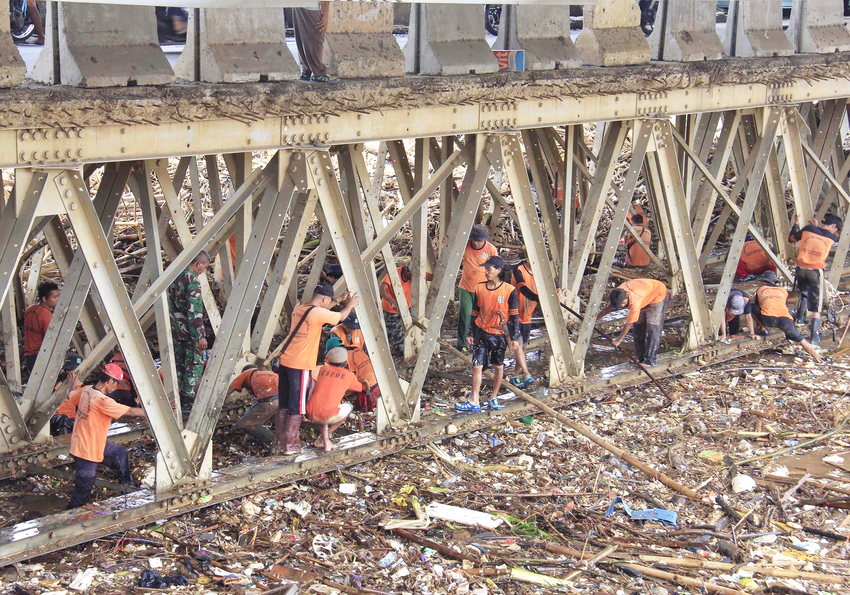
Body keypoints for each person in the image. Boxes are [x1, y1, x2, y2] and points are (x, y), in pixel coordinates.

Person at [276, 282, 359, 455]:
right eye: (328, 301)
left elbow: (324, 309)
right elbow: (340, 317)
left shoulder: (300, 308)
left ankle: (280, 441)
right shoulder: (317, 314)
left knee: (284, 404)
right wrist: (349, 305)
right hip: (300, 364)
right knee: (297, 406)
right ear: (323, 299)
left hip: (285, 361)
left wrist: (338, 300)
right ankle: (291, 445)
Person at [67, 364, 146, 509]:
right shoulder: (103, 401)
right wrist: (154, 410)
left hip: (90, 444)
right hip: (87, 452)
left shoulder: (86, 390)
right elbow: (132, 412)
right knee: (83, 491)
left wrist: (72, 385)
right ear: (110, 381)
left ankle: (126, 488)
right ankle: (68, 520)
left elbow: (71, 396)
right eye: (116, 384)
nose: (116, 388)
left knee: (119, 452)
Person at [456, 256, 519, 413]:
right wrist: (470, 332)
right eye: (485, 269)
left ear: (498, 270)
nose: (486, 272)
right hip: (481, 331)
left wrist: (514, 338)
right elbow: (474, 312)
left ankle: (493, 396)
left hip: (498, 334)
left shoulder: (509, 291)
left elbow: (514, 316)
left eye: (489, 269)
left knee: (498, 366)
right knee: (477, 365)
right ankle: (474, 399)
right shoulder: (479, 288)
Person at [167, 251, 211, 413]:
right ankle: (187, 400)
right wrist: (200, 336)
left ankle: (175, 397)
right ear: (198, 263)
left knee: (179, 362)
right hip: (190, 330)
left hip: (176, 328)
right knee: (194, 362)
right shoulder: (192, 280)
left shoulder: (177, 275)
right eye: (204, 267)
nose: (203, 271)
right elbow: (194, 310)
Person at [789, 214, 842, 345]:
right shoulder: (832, 237)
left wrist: (796, 224)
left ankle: (799, 320)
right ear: (834, 227)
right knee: (816, 304)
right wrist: (816, 226)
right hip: (815, 270)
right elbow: (822, 234)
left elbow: (792, 239)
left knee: (803, 293)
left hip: (800, 268)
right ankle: (814, 338)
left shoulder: (808, 229)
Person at [752, 271, 822, 362]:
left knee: (752, 307)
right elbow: (784, 305)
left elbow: (759, 305)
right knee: (802, 341)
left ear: (764, 281)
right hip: (785, 320)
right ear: (774, 281)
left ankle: (762, 328)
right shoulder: (783, 291)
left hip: (768, 318)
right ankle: (818, 359)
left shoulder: (761, 289)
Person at [599, 279, 668, 366]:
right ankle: (641, 358)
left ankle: (650, 361)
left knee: (652, 328)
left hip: (657, 294)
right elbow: (607, 309)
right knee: (638, 327)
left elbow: (629, 323)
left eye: (622, 305)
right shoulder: (617, 294)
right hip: (644, 295)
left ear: (626, 298)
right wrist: (593, 319)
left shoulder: (635, 302)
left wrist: (619, 340)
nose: (621, 307)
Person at [306, 348, 361, 452]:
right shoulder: (348, 375)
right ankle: (324, 438)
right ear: (345, 362)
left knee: (325, 404)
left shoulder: (322, 369)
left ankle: (326, 442)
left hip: (311, 411)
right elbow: (359, 388)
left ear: (329, 361)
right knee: (349, 406)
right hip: (328, 414)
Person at [325, 312, 381, 410]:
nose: (352, 330)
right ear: (344, 324)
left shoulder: (359, 332)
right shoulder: (335, 333)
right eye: (350, 328)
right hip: (346, 363)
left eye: (354, 328)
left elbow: (365, 350)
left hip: (357, 363)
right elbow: (336, 354)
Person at [457, 224, 499, 351]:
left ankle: (480, 342)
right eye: (474, 241)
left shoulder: (491, 250)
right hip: (466, 287)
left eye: (479, 241)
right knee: (466, 314)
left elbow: (497, 269)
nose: (475, 243)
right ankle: (462, 344)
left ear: (484, 240)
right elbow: (450, 248)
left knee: (483, 316)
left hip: (483, 289)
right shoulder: (465, 245)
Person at [226, 365, 279, 445]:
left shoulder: (246, 373)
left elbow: (229, 390)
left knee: (245, 424)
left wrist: (219, 404)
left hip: (270, 400)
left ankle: (275, 443)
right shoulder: (269, 374)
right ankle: (294, 445)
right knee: (279, 423)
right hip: (284, 400)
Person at [509, 260, 537, 389]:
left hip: (527, 315)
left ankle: (515, 375)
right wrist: (538, 297)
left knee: (523, 347)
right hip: (514, 315)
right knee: (518, 345)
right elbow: (523, 288)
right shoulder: (518, 270)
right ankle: (526, 374)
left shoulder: (539, 272)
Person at [293, 1, 337, 83]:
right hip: (312, 6)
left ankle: (306, 70)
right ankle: (318, 72)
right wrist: (325, 14)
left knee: (302, 36)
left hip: (298, 5)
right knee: (316, 35)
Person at [23, 281, 61, 376]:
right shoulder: (47, 315)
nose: (58, 299)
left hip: (28, 354)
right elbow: (50, 339)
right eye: (55, 297)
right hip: (39, 355)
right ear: (44, 298)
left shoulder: (30, 309)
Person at [380, 265, 412, 356]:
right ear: (407, 272)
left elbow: (429, 277)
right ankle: (397, 349)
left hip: (406, 307)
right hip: (391, 309)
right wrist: (392, 302)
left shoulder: (417, 273)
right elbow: (382, 289)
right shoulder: (394, 273)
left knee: (405, 329)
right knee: (394, 332)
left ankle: (402, 347)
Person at [50, 354, 84, 437]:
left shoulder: (81, 386)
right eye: (71, 370)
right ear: (66, 370)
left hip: (72, 419)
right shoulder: (54, 384)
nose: (74, 373)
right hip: (57, 419)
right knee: (63, 420)